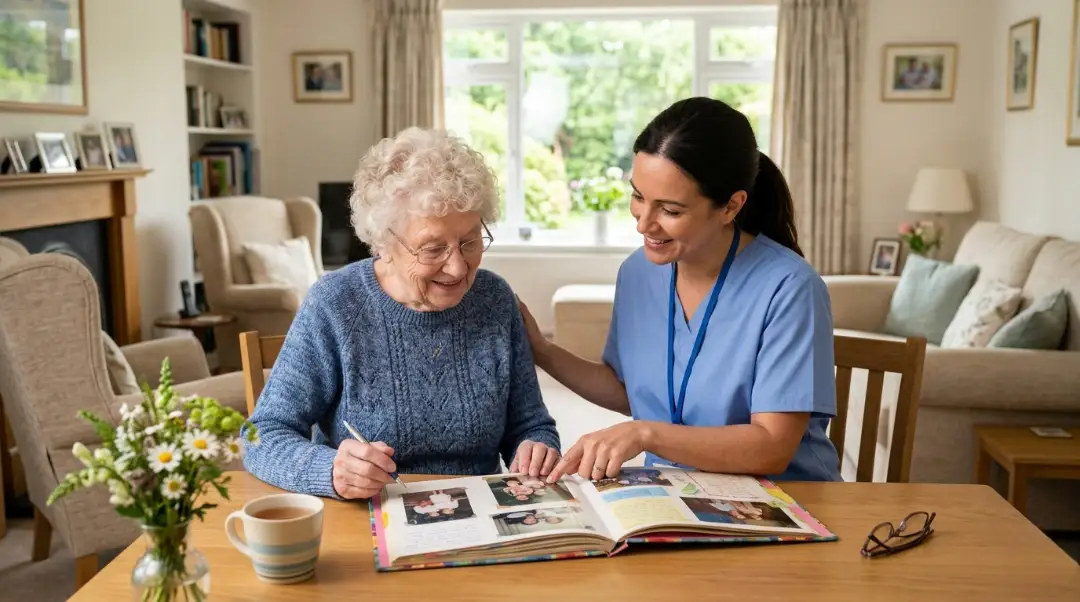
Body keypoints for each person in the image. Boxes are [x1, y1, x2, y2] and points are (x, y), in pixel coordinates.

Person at [520, 97, 841, 484]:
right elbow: (628, 391)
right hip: (671, 498)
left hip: (786, 503)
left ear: (730, 207)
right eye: (638, 196)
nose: (644, 224)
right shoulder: (639, 273)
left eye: (670, 210)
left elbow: (771, 447)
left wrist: (644, 433)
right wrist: (541, 350)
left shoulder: (790, 289)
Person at [243, 127, 561, 500]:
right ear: (385, 244)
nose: (458, 268)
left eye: (470, 241)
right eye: (433, 249)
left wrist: (536, 446)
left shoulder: (494, 299)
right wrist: (330, 471)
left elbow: (530, 423)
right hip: (369, 519)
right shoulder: (335, 304)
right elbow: (261, 435)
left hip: (479, 520)